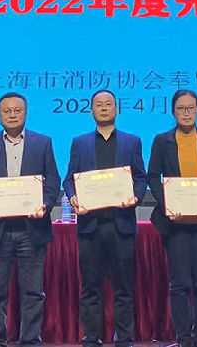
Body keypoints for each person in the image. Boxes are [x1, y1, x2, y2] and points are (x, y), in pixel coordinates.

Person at [0, 92, 60, 347]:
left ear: (26, 112)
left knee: (33, 293)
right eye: (6, 111)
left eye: (17, 110)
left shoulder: (43, 143)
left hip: (32, 228)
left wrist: (45, 205)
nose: (12, 115)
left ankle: (30, 341)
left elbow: (52, 180)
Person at [62, 89, 147, 347]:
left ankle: (124, 338)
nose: (104, 108)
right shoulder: (80, 142)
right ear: (91, 110)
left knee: (124, 287)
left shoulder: (132, 142)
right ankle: (91, 337)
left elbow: (140, 177)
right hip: (91, 226)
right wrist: (73, 197)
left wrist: (135, 197)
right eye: (98, 104)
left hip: (122, 224)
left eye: (108, 104)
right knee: (90, 287)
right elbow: (69, 179)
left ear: (116, 109)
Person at [147, 89, 197, 347]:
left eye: (191, 108)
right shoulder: (162, 141)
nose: (186, 113)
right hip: (175, 224)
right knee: (179, 283)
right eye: (181, 108)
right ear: (173, 112)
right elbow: (153, 177)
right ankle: (183, 337)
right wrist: (169, 203)